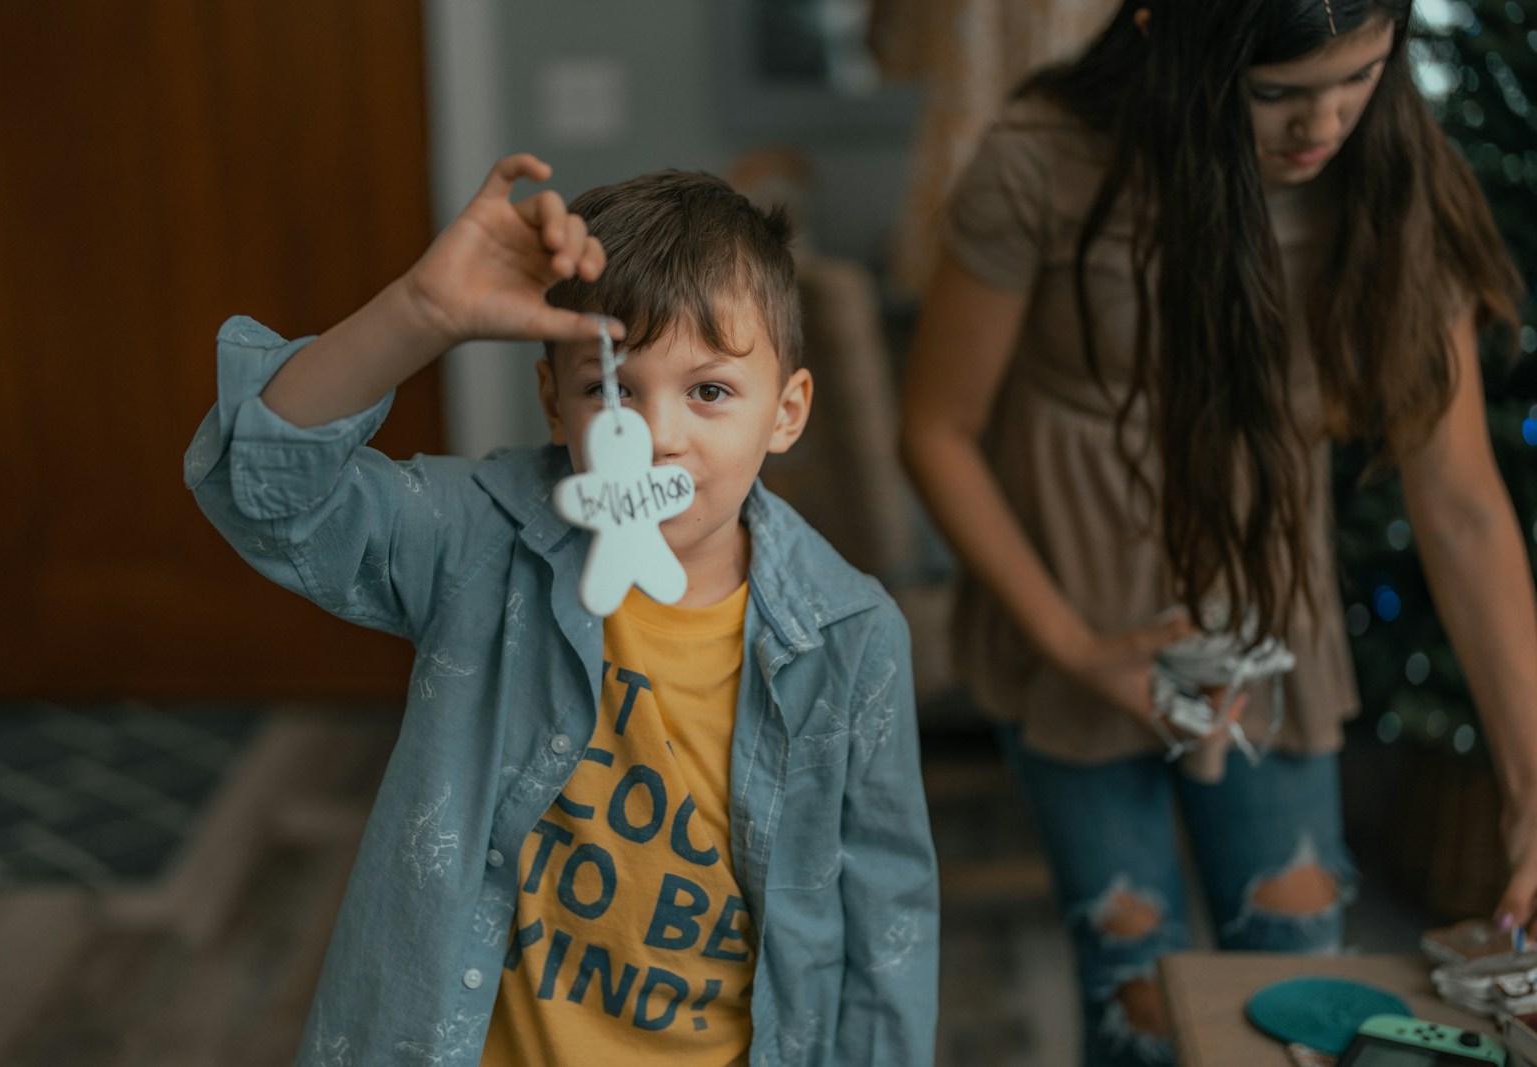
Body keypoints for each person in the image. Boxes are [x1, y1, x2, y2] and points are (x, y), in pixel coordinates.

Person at [185, 154, 939, 1066]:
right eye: (612, 389)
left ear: (785, 412)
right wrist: (418, 314)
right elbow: (262, 489)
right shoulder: (481, 543)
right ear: (554, 404)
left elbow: (886, 927)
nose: (658, 434)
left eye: (709, 390)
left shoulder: (853, 640)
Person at [898, 1, 1537, 1064]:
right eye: (1276, 92)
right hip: (1068, 622)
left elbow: (1464, 508)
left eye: (1360, 76)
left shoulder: (1392, 185)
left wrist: (1528, 786)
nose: (1321, 123)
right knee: (1135, 999)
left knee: (1302, 978)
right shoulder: (1041, 159)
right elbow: (938, 430)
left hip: (1268, 635)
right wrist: (1076, 648)